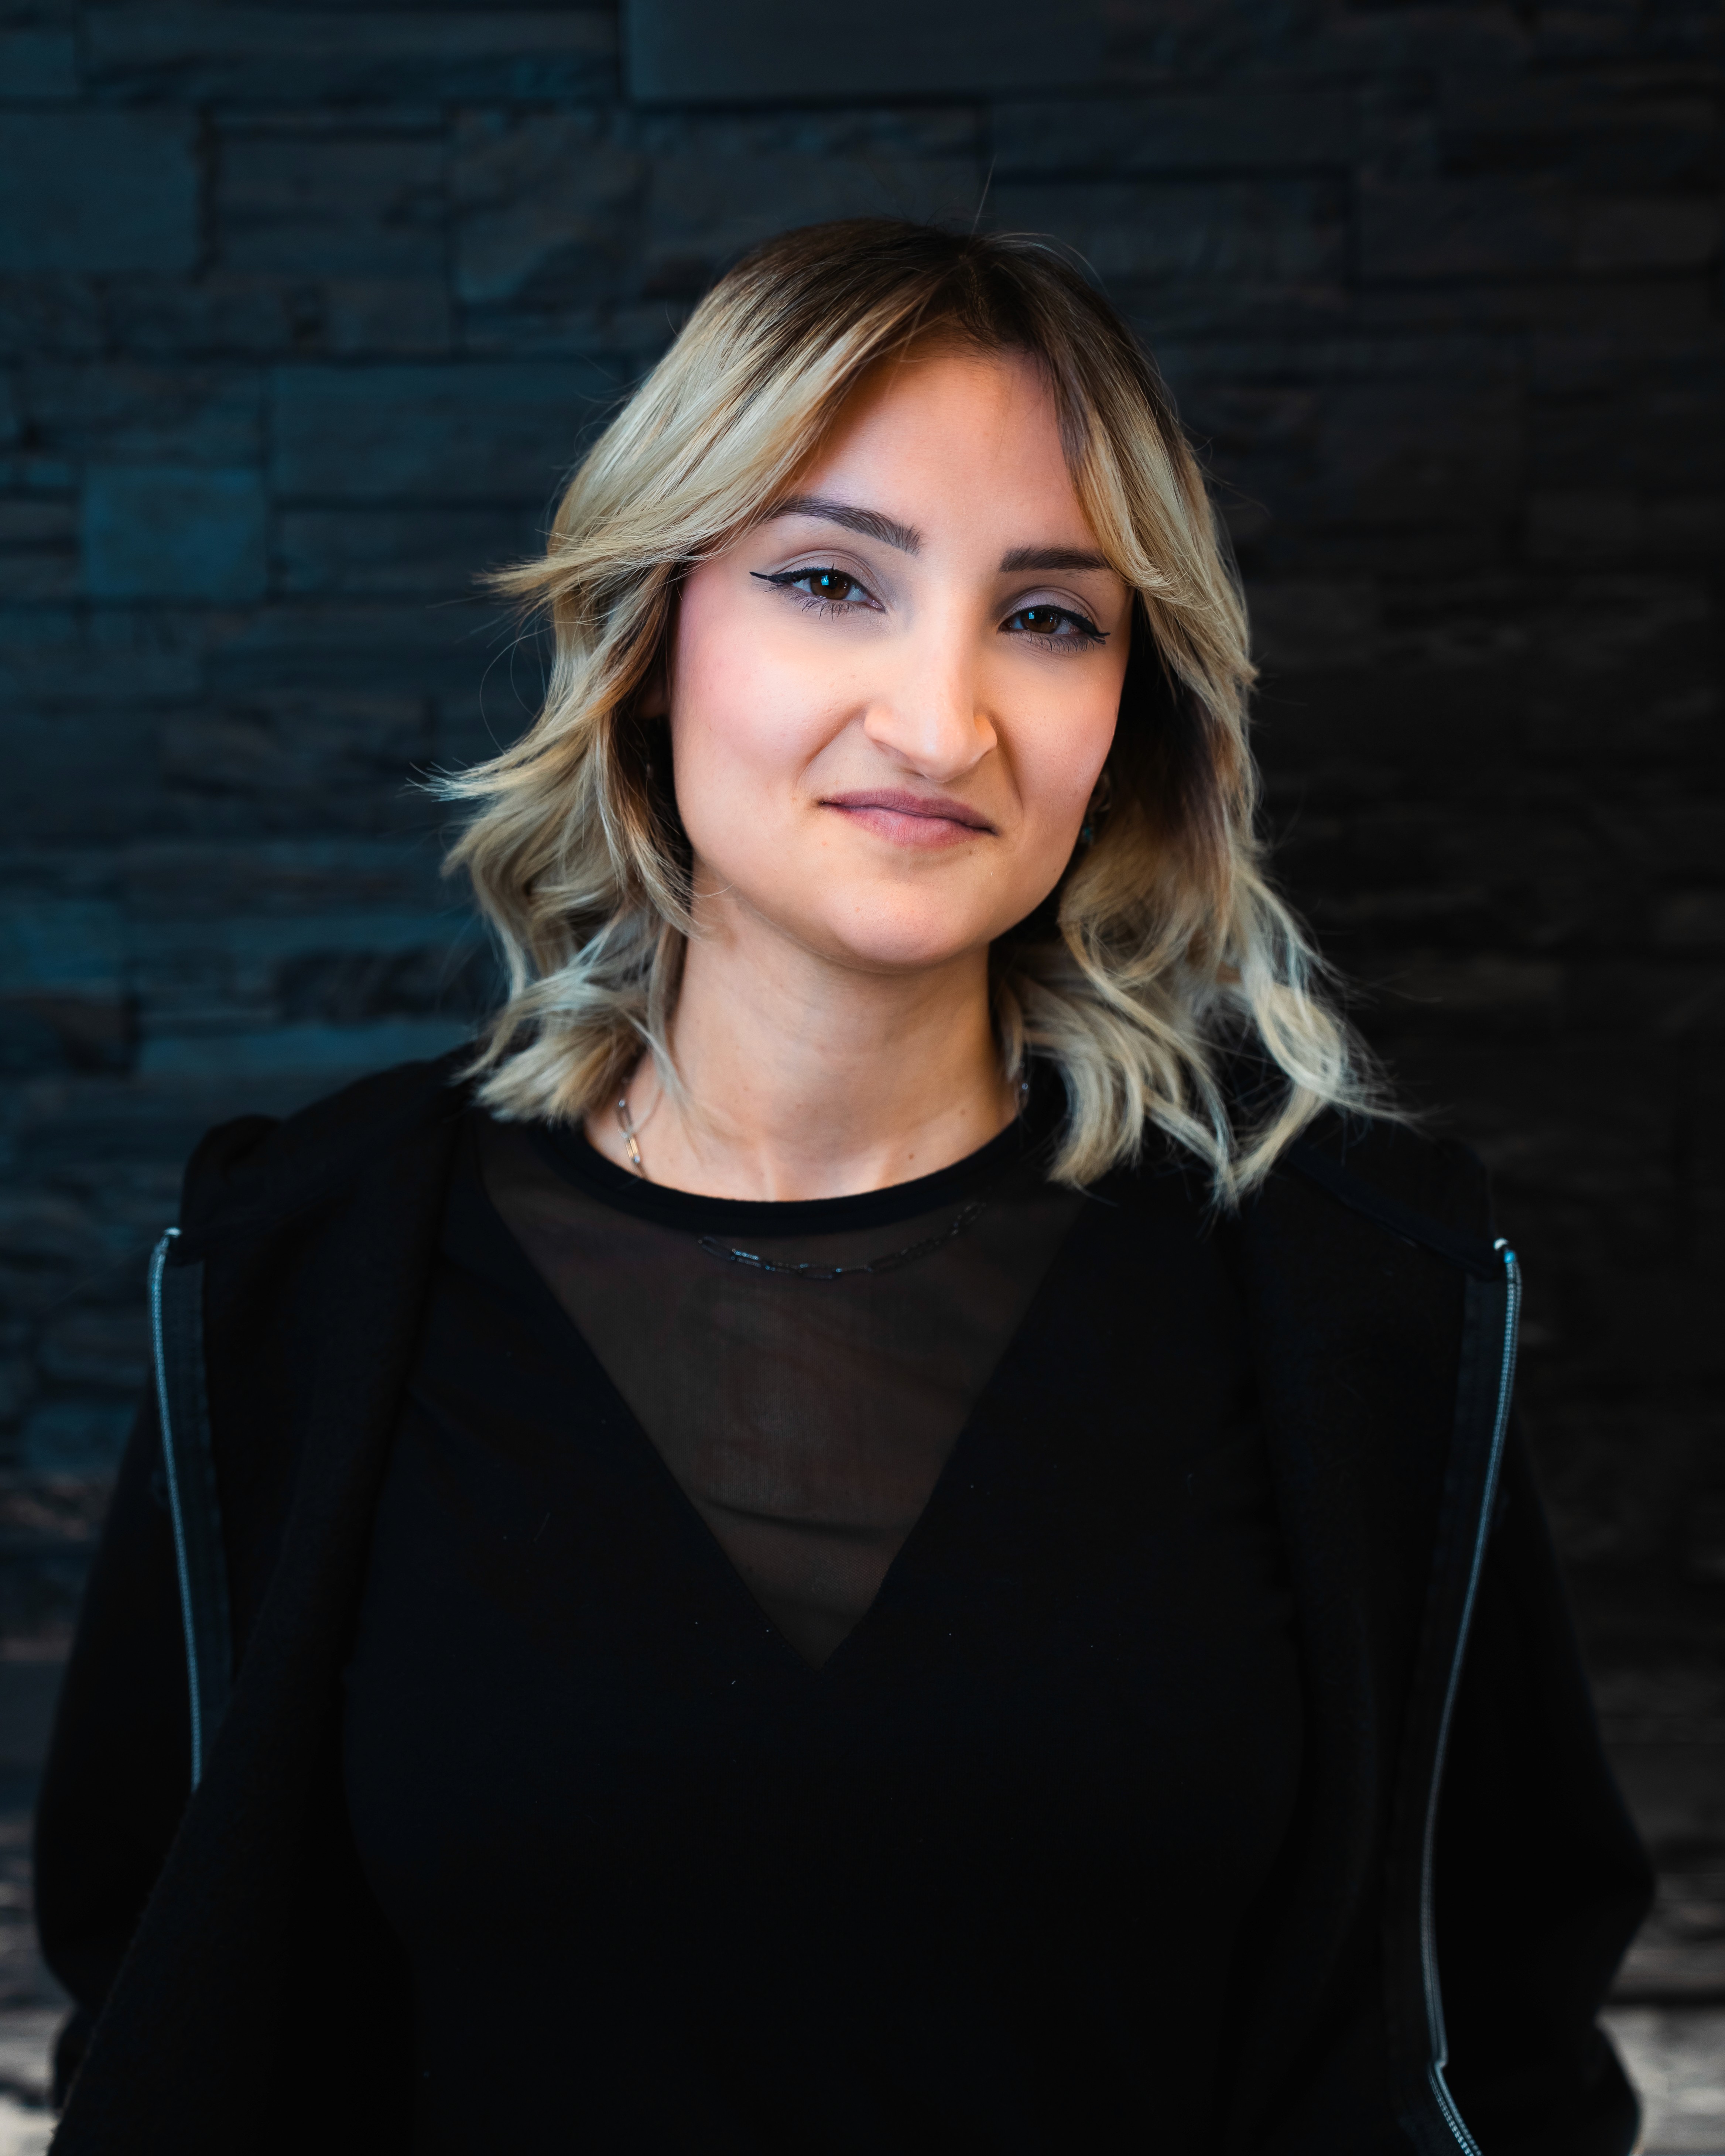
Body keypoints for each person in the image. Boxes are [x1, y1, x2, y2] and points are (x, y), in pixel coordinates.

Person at [35, 221, 1649, 2155]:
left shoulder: (1349, 1295)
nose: (942, 723)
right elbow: (161, 2009)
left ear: (1129, 714)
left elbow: (1511, 2041)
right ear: (651, 635)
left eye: (1048, 618)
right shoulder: (298, 1279)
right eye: (829, 581)